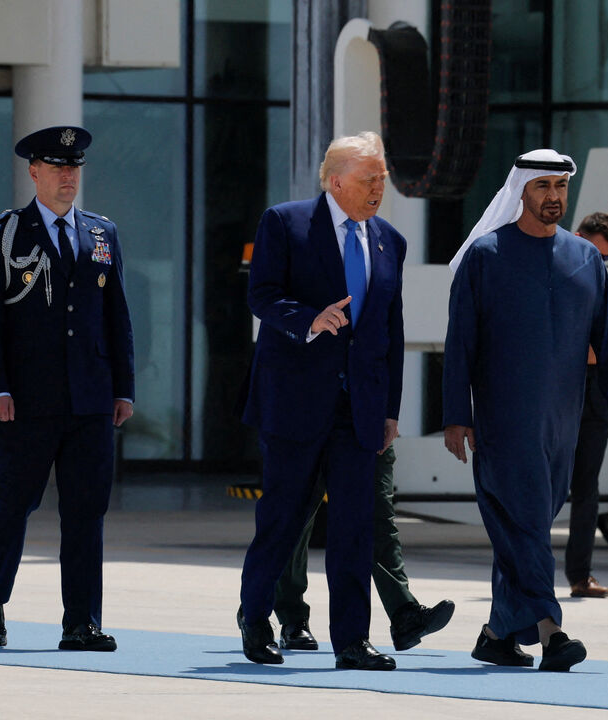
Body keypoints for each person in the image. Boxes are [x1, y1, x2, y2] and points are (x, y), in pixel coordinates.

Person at [443, 149, 608, 672]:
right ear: (521, 192)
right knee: (526, 523)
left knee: (526, 523)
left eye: (560, 187)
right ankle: (553, 633)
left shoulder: (585, 260)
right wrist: (455, 414)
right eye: (543, 187)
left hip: (563, 423)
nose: (554, 197)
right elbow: (460, 343)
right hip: (503, 420)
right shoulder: (485, 257)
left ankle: (496, 636)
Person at [238, 131, 406, 671]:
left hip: (359, 410)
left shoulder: (389, 241)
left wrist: (390, 410)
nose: (379, 187)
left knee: (355, 528)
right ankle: (257, 619)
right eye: (368, 179)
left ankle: (352, 641)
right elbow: (261, 295)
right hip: (295, 403)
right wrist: (308, 320)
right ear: (335, 181)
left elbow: (390, 333)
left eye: (382, 178)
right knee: (282, 520)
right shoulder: (285, 223)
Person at [0, 125, 135, 652]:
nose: (68, 176)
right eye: (58, 167)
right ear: (34, 172)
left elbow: (118, 317)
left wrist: (123, 388)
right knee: (11, 507)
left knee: (87, 513)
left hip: (90, 398)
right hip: (26, 401)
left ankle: (81, 622)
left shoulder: (102, 233)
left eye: (75, 167)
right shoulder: (3, 233)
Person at [272, 445, 455, 653]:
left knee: (379, 519)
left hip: (369, 427)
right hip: (316, 423)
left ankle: (404, 614)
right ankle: (289, 615)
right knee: (297, 522)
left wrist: (390, 416)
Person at [563, 212, 608, 600]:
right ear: (577, 238)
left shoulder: (607, 283)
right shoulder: (555, 275)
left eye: (604, 257)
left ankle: (580, 576)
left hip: (593, 389)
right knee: (545, 486)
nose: (597, 261)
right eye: (594, 251)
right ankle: (528, 573)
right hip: (558, 387)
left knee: (587, 487)